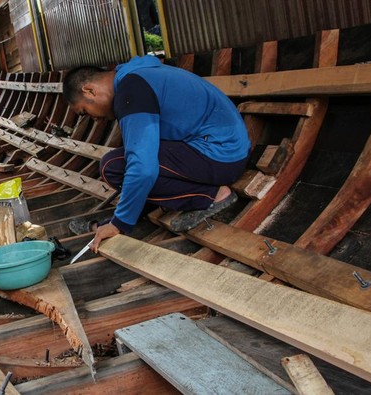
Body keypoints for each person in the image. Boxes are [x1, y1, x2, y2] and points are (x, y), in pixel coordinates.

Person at [63, 55, 250, 253]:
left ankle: (212, 195)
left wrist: (119, 223)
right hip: (228, 149)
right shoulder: (138, 76)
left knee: (113, 166)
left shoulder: (130, 91)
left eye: (85, 111)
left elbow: (143, 168)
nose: (95, 120)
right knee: (129, 160)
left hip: (221, 155)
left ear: (90, 90)